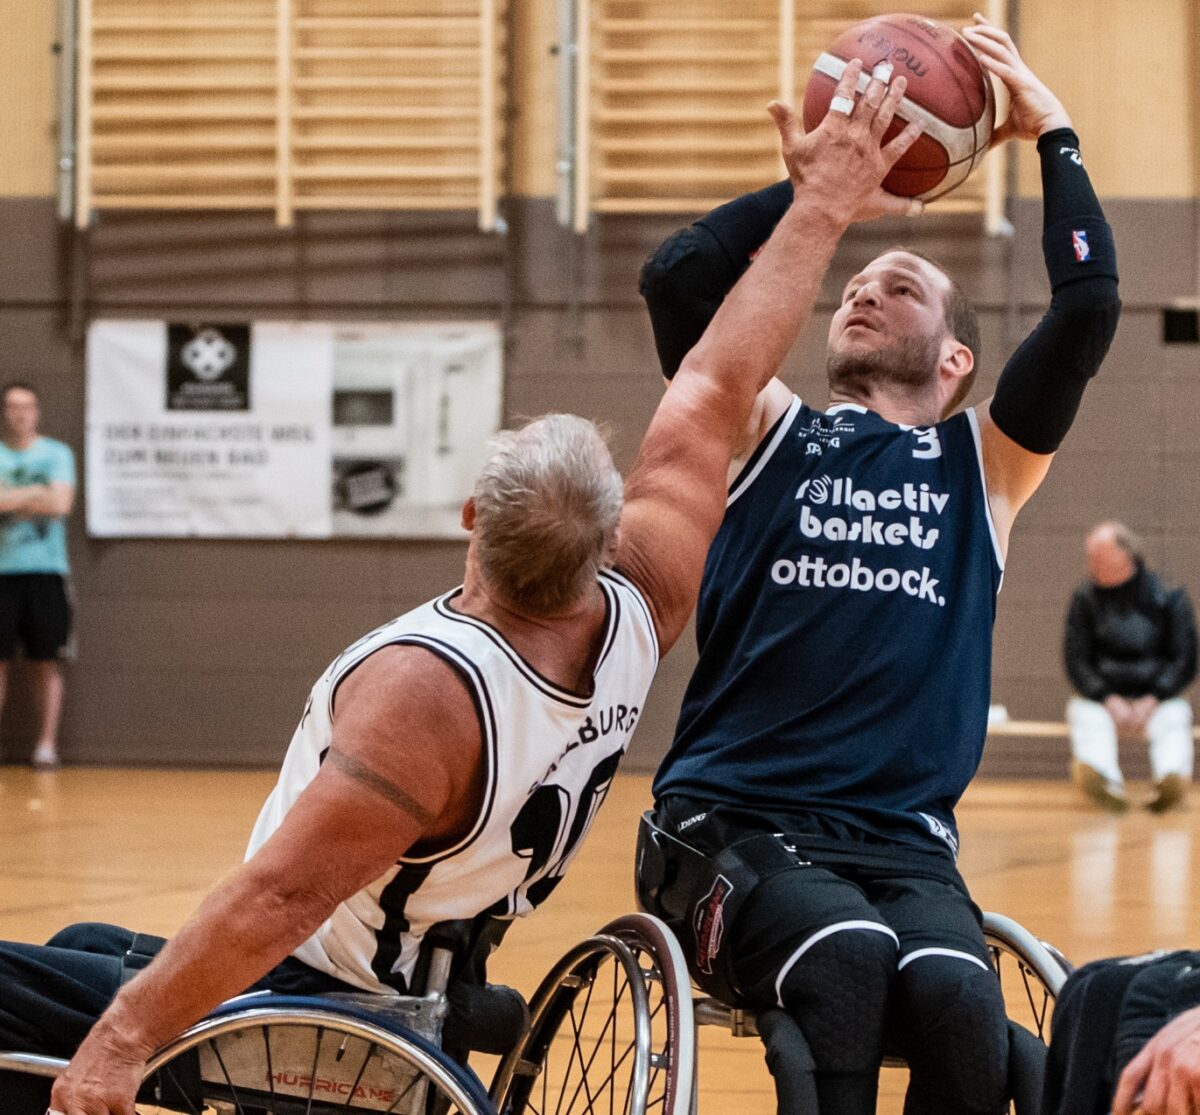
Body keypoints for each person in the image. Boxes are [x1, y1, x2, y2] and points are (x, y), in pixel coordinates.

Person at [0, 58, 926, 1115]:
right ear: (606, 537)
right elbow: (718, 379)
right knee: (80, 945)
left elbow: (281, 895)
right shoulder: (640, 605)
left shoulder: (428, 693)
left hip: (324, 1007)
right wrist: (821, 205)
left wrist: (122, 1041)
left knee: (56, 1002)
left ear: (473, 520)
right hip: (437, 961)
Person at [636, 16, 1120, 1115]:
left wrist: (1052, 131)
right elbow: (678, 282)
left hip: (901, 845)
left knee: (959, 997)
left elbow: (1089, 305)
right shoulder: (766, 429)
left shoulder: (984, 465)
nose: (861, 290)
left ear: (954, 359)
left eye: (898, 287)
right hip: (734, 820)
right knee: (847, 957)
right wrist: (831, 194)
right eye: (855, 284)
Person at [1065, 521, 1196, 814]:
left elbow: (1184, 658)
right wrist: (1107, 698)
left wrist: (1154, 697)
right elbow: (1076, 660)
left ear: (1123, 556)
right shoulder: (1085, 599)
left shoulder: (1170, 595)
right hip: (1104, 699)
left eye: (1097, 556)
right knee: (1085, 714)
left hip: (1156, 698)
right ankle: (1103, 781)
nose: (1091, 564)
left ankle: (1171, 781)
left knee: (1175, 716)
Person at [0, 382, 76, 770]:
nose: (20, 413)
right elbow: (43, 499)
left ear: (37, 411)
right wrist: (36, 496)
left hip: (45, 572)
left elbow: (60, 503)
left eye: (27, 406)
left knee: (46, 660)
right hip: (3, 573)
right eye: (12, 406)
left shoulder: (57, 454)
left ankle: (45, 745)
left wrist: (13, 498)